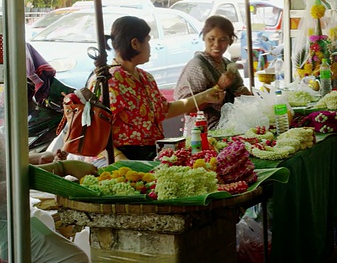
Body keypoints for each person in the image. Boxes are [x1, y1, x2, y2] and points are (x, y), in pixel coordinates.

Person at [102, 16, 225, 160]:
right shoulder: (110, 81)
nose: (150, 46)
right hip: (124, 158)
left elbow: (165, 110)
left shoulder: (145, 78)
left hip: (154, 153)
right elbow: (95, 130)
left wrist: (205, 96)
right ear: (135, 43)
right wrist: (119, 158)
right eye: (148, 41)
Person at [0, 140, 97, 263]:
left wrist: (39, 158)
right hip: (5, 224)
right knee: (73, 259)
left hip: (11, 215)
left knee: (44, 218)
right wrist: (61, 168)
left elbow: (6, 162)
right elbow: (8, 179)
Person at [174, 15, 252, 130]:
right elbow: (186, 107)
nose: (216, 44)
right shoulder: (197, 66)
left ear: (230, 40)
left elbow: (239, 93)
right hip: (204, 132)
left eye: (223, 39)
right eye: (211, 39)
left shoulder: (227, 64)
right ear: (203, 37)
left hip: (230, 127)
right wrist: (219, 87)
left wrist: (245, 95)